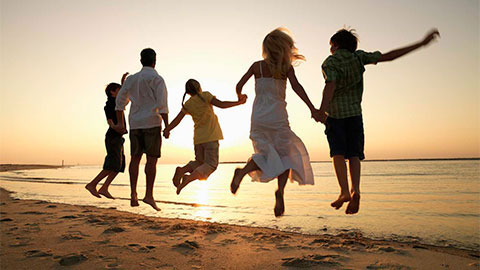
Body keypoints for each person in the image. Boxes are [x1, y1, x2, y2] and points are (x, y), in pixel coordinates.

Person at [317, 28, 440, 215]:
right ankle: (355, 190)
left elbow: (330, 85)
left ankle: (343, 191)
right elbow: (390, 56)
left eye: (331, 45)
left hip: (335, 116)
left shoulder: (330, 62)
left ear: (335, 45)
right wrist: (421, 44)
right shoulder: (359, 57)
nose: (330, 49)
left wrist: (321, 110)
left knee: (338, 153)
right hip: (355, 115)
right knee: (355, 154)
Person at [230, 27, 320, 217]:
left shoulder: (257, 66)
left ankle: (243, 171)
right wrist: (312, 108)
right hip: (278, 117)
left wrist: (240, 97)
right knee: (285, 154)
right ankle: (280, 191)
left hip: (259, 117)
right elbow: (298, 88)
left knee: (264, 152)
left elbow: (239, 85)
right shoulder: (285, 68)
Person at [163, 79, 247, 195]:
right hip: (211, 138)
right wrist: (238, 103)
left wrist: (167, 129)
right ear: (199, 87)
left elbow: (177, 119)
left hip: (198, 140)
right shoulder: (205, 96)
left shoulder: (188, 104)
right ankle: (188, 178)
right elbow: (222, 105)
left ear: (188, 92)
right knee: (211, 165)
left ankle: (183, 170)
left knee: (200, 162)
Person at [115, 48, 169, 211]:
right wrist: (167, 126)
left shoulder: (132, 79)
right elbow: (163, 105)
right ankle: (149, 195)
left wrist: (121, 124)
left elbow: (120, 102)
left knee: (135, 159)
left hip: (136, 124)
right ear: (155, 61)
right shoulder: (157, 79)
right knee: (151, 160)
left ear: (141, 61)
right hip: (152, 123)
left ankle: (133, 193)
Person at [85, 73, 129, 199]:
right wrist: (116, 127)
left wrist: (123, 82)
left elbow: (126, 94)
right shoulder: (110, 104)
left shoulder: (118, 102)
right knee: (112, 164)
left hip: (119, 137)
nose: (121, 93)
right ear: (112, 92)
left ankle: (104, 188)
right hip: (112, 137)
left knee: (119, 166)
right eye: (118, 91)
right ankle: (92, 184)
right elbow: (109, 120)